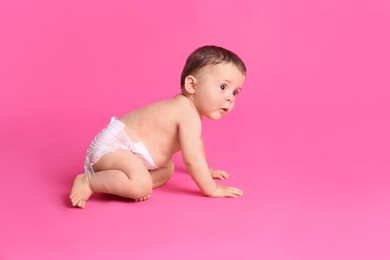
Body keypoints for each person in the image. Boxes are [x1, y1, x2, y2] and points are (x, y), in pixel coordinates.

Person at [70, 45, 246, 208]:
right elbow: (192, 159)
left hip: (131, 153)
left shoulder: (191, 113)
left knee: (167, 170)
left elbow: (196, 146)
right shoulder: (186, 113)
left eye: (235, 92)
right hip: (113, 148)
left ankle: (132, 185)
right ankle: (89, 181)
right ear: (192, 85)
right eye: (223, 87)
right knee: (141, 184)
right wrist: (211, 188)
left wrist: (205, 171)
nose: (230, 98)